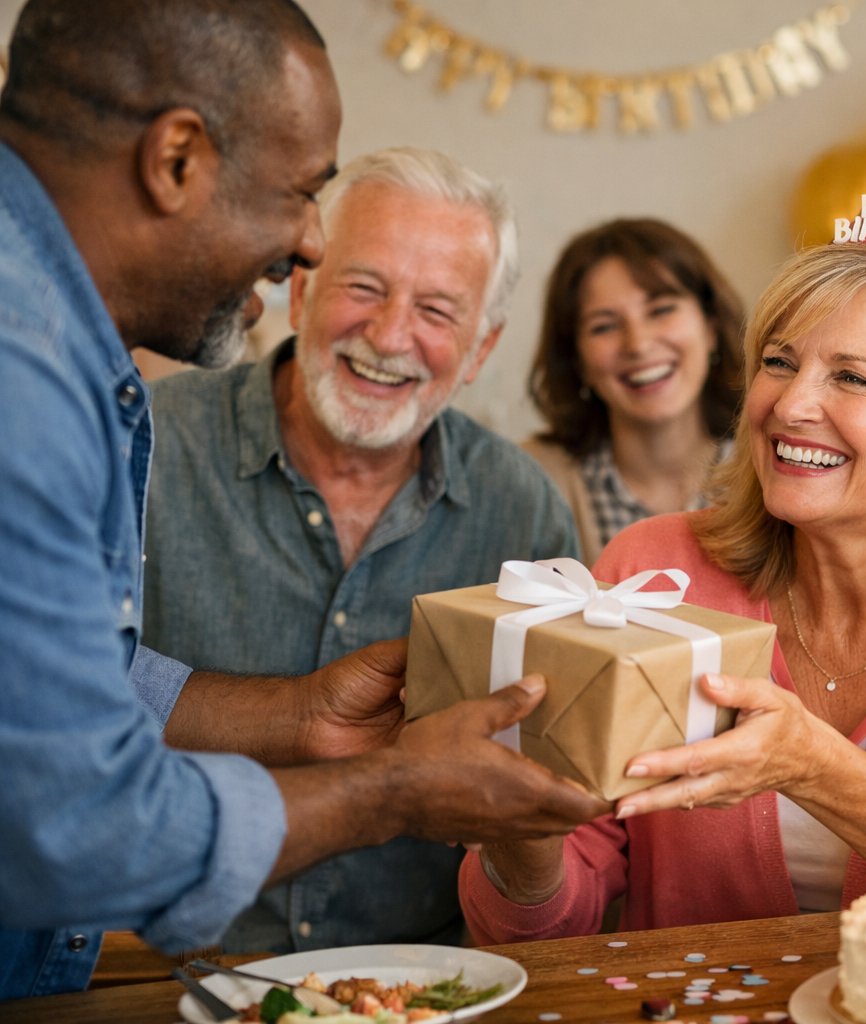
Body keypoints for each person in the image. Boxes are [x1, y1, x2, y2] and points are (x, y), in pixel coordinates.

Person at [0, 0, 605, 999]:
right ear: (178, 159)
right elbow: (81, 823)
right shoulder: (26, 370)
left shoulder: (54, 344)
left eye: (438, 308)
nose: (306, 244)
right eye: (299, 193)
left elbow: (49, 679)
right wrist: (395, 787)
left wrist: (300, 716)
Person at [460, 135, 866, 940]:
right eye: (779, 361)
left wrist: (814, 767)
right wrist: (521, 830)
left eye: (850, 377)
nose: (789, 404)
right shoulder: (654, 569)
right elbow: (547, 919)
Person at [140, 147, 581, 953]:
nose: (388, 336)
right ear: (303, 292)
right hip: (155, 971)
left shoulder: (525, 511)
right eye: (363, 287)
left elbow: (550, 797)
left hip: (422, 986)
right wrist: (294, 717)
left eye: (438, 312)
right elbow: (45, 696)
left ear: (481, 350)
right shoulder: (142, 444)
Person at [523, 218, 744, 562]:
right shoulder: (528, 482)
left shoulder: (771, 471)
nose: (638, 344)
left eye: (661, 310)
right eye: (605, 326)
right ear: (576, 358)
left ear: (711, 327)